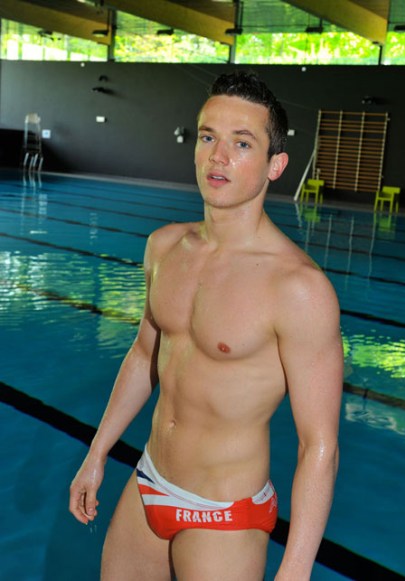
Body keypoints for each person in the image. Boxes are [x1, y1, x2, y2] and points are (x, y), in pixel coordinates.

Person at [69, 70, 343, 580]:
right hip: (149, 481)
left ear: (275, 165)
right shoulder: (164, 247)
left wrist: (296, 569)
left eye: (242, 143)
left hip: (225, 514)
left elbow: (319, 445)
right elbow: (144, 356)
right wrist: (97, 453)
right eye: (208, 137)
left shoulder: (298, 289)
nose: (218, 156)